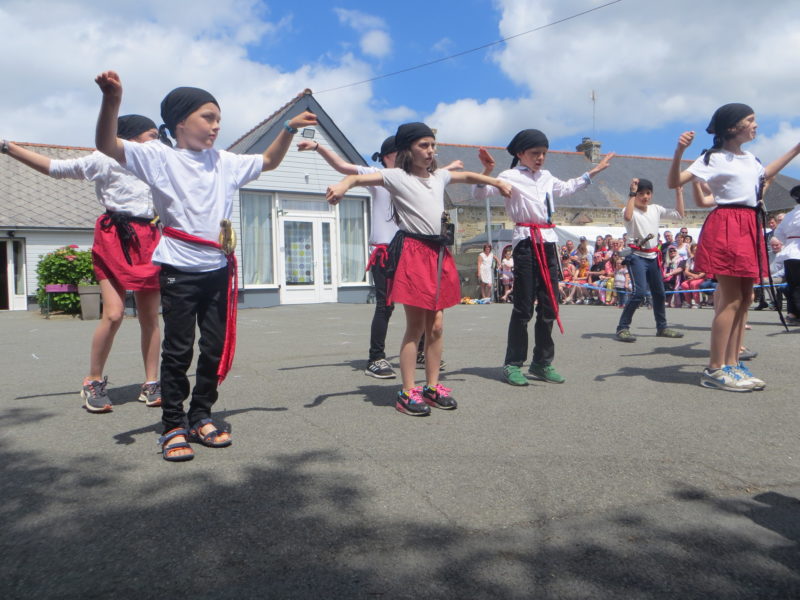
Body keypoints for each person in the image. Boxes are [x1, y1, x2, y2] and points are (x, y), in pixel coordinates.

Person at [95, 70, 317, 460]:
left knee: (213, 349)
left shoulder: (225, 161)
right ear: (180, 122)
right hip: (179, 269)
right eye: (208, 117)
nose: (216, 126)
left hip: (217, 269)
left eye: (218, 119)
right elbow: (106, 145)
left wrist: (287, 128)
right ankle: (172, 426)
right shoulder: (159, 157)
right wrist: (112, 100)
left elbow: (268, 161)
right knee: (179, 351)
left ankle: (200, 416)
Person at [326, 122, 512, 416]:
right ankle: (408, 391)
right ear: (407, 150)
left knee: (436, 327)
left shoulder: (438, 176)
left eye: (432, 145)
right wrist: (341, 186)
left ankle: (432, 386)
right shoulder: (395, 176)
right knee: (415, 327)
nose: (430, 151)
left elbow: (466, 175)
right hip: (413, 252)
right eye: (423, 145)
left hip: (438, 252)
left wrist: (497, 181)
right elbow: (357, 180)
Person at [2, 117, 163, 414]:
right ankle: (93, 380)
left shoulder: (159, 163)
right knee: (113, 315)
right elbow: (55, 168)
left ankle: (151, 383)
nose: (158, 141)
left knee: (150, 317)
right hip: (114, 236)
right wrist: (7, 147)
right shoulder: (104, 158)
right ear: (129, 138)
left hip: (149, 239)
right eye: (152, 135)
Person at [668, 103, 800, 391]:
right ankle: (714, 368)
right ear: (732, 127)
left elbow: (766, 174)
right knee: (730, 300)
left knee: (744, 300)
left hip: (749, 224)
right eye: (750, 120)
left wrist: (797, 147)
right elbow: (674, 181)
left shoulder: (751, 159)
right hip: (728, 223)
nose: (755, 125)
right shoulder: (713, 158)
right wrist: (679, 152)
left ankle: (731, 363)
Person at [474, 129, 614, 386]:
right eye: (535, 153)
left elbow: (569, 187)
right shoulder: (510, 176)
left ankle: (542, 362)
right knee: (524, 306)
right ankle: (513, 363)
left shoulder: (548, 176)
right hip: (526, 242)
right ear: (520, 154)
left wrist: (594, 171)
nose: (540, 158)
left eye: (544, 153)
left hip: (548, 243)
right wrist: (488, 172)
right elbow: (479, 194)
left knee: (550, 304)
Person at [615, 178, 685, 342]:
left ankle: (662, 327)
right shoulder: (629, 209)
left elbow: (679, 215)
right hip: (637, 256)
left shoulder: (656, 209)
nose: (645, 197)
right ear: (635, 194)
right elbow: (628, 216)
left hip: (653, 257)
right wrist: (631, 193)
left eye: (648, 193)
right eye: (641, 194)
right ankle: (622, 328)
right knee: (638, 293)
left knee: (659, 293)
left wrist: (679, 193)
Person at [772, 185, 800, 324]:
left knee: (793, 284)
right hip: (797, 251)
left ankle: (793, 313)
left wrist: (789, 241)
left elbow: (779, 234)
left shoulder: (789, 215)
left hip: (789, 253)